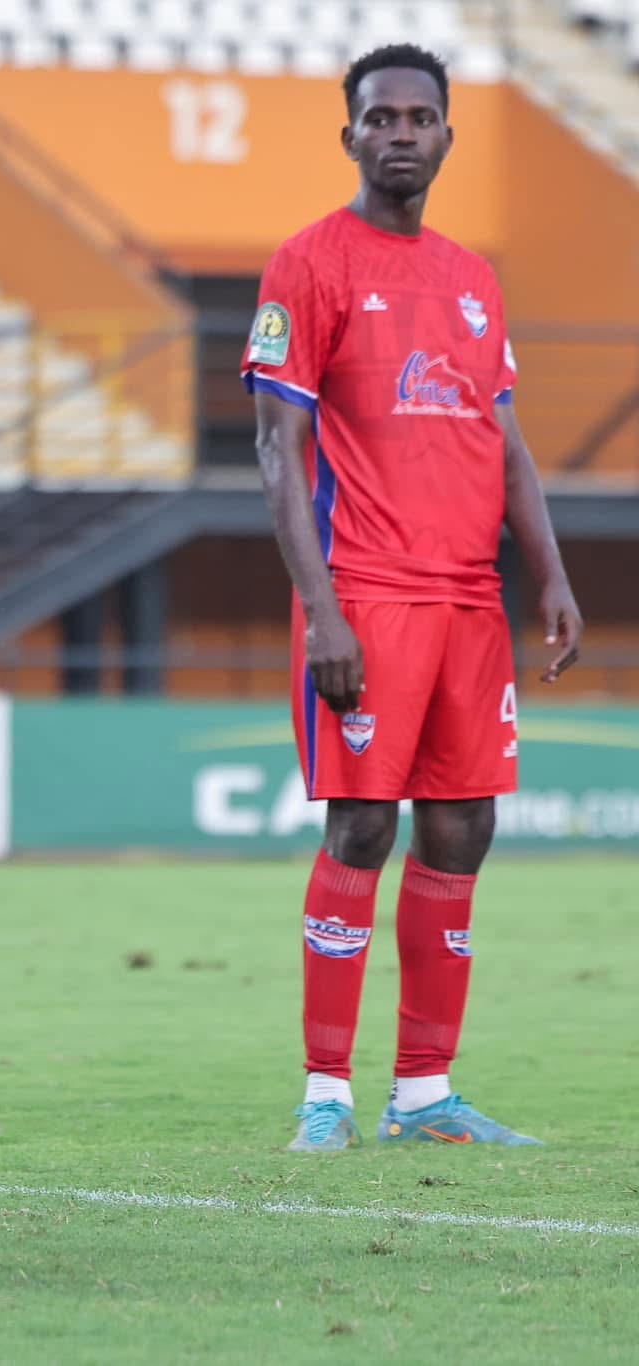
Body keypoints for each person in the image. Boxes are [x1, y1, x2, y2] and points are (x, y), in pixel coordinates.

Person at [244, 45, 582, 1151]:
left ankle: (423, 1094)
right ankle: (325, 1095)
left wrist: (550, 572)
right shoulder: (307, 262)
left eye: (419, 116)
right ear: (347, 136)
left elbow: (509, 442)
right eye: (378, 117)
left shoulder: (473, 277)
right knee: (360, 825)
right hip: (367, 593)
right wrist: (322, 608)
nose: (399, 132)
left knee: (462, 828)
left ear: (444, 135)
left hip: (468, 603)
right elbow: (274, 447)